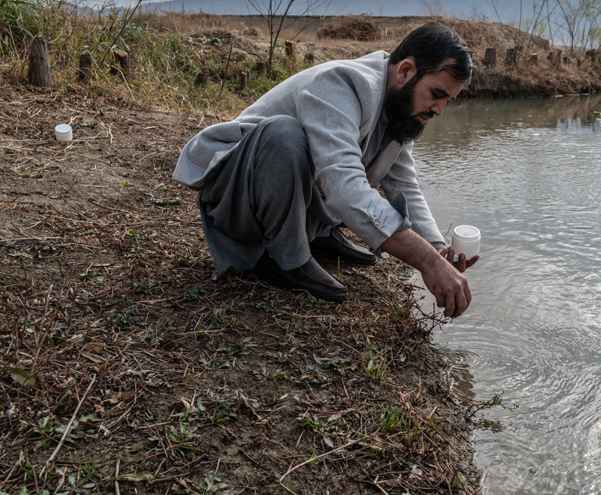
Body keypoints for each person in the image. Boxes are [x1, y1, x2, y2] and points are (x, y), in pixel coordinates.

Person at [173, 22, 479, 318]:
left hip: (287, 202)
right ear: (405, 71)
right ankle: (285, 258)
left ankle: (316, 234)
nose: (439, 110)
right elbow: (344, 187)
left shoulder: (401, 109)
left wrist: (437, 249)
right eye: (437, 94)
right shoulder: (340, 84)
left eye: (448, 101)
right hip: (237, 199)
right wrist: (426, 262)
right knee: (285, 135)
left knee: (331, 168)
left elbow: (405, 186)